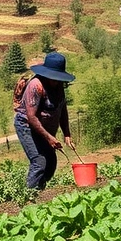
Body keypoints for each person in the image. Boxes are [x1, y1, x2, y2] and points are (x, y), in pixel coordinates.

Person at [14, 51, 75, 190]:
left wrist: (67, 134)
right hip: (27, 126)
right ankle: (28, 196)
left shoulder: (59, 86)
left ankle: (39, 190)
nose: (55, 80)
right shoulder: (36, 85)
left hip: (43, 129)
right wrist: (49, 138)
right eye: (53, 77)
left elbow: (62, 108)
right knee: (39, 161)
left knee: (51, 162)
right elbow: (31, 117)